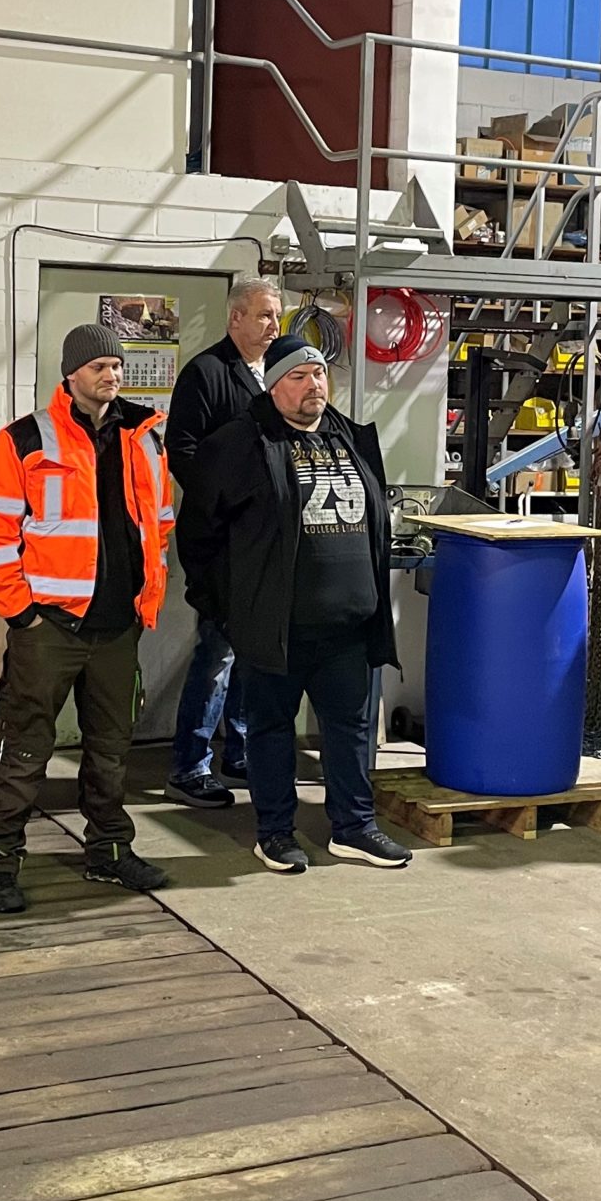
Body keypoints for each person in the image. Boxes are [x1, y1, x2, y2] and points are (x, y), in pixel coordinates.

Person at [176, 335, 411, 873]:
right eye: (298, 377)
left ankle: (354, 828)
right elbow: (198, 536)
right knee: (270, 731)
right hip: (277, 627)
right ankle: (275, 833)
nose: (313, 386)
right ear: (274, 386)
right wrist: (228, 611)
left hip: (349, 628)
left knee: (349, 731)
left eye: (319, 374)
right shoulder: (239, 444)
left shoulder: (349, 437)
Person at [0, 323, 176, 914]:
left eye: (116, 365)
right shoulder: (25, 439)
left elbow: (160, 523)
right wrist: (21, 613)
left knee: (111, 749)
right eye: (98, 366)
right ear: (70, 374)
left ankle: (108, 851)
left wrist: (146, 598)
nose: (111, 375)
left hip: (118, 627)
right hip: (50, 628)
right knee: (25, 750)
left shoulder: (146, 438)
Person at [161, 277, 285, 808]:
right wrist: (226, 500)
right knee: (217, 652)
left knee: (251, 650)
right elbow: (182, 448)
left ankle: (240, 751)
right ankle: (190, 766)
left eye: (277, 315)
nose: (274, 325)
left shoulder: (275, 374)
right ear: (235, 318)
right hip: (220, 538)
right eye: (264, 315)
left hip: (263, 539)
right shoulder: (207, 373)